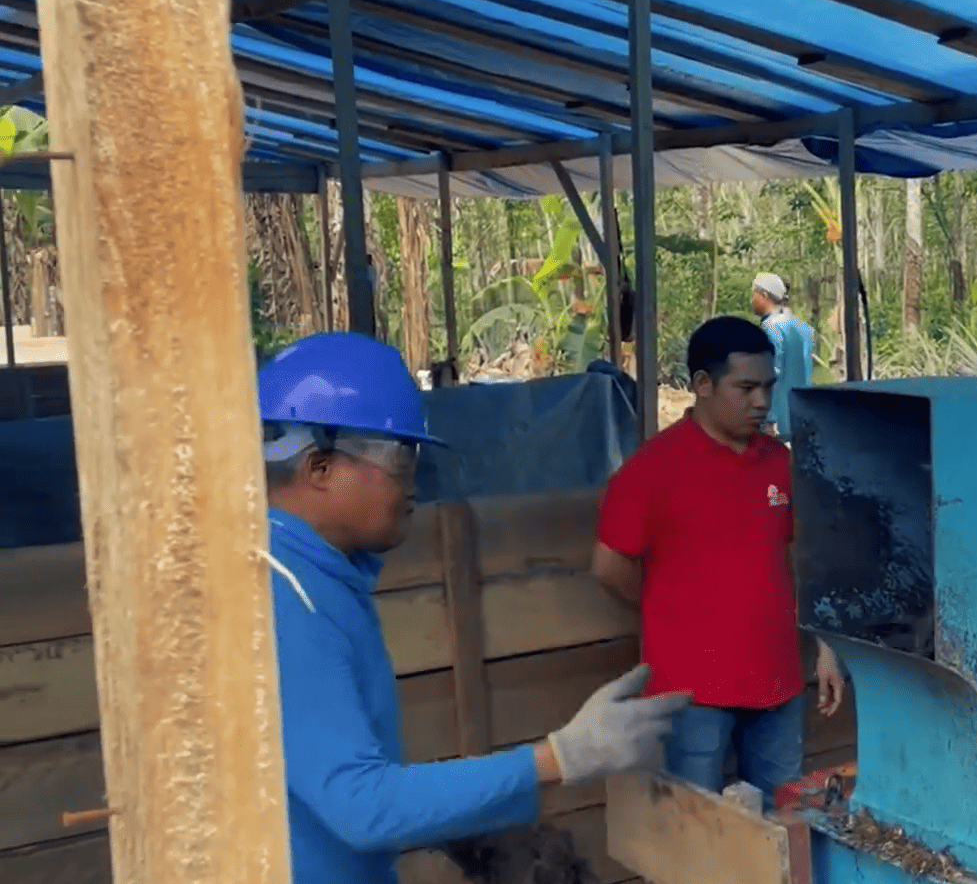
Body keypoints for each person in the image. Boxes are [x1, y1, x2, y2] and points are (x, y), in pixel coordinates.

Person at [260, 332, 693, 884]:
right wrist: (557, 757)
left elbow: (330, 782)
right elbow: (360, 805)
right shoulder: (284, 595)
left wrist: (469, 819)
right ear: (321, 468)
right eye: (402, 457)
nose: (417, 481)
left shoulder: (313, 576)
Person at [592, 316, 846, 800]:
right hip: (690, 694)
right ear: (702, 385)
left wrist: (826, 647)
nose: (761, 401)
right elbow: (608, 566)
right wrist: (670, 611)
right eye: (746, 387)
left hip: (779, 684)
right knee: (695, 832)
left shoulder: (778, 461)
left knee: (782, 823)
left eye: (768, 387)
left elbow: (801, 557)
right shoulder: (651, 469)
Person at [749, 272, 816, 442]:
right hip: (802, 417)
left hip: (777, 422)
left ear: (763, 296)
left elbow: (772, 373)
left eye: (754, 294)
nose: (752, 300)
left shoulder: (770, 328)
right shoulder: (804, 329)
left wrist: (769, 417)